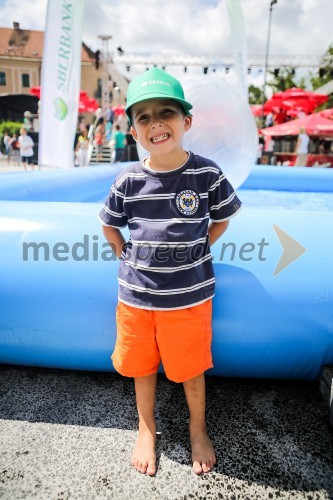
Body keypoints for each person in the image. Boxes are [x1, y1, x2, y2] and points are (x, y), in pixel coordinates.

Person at [98, 68, 242, 477]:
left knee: (190, 369)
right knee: (142, 367)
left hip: (190, 297)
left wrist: (202, 246)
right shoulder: (128, 180)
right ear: (133, 131)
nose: (156, 122)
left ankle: (198, 429)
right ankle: (146, 429)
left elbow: (224, 218)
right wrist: (122, 252)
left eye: (167, 112)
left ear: (186, 122)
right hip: (137, 299)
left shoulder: (206, 174)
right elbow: (109, 223)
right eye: (144, 117)